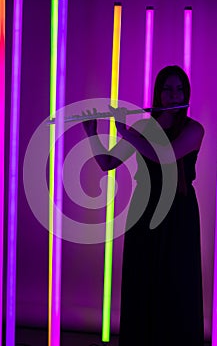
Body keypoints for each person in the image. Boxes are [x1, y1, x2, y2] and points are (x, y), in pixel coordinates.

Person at [83, 65, 205, 346]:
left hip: (177, 213)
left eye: (180, 89)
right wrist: (92, 133)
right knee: (143, 281)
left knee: (175, 283)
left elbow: (166, 156)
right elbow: (108, 163)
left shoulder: (193, 129)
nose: (174, 96)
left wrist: (127, 133)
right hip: (144, 211)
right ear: (158, 93)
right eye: (167, 89)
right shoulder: (143, 128)